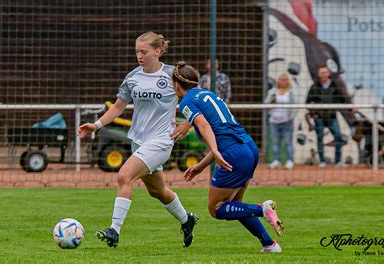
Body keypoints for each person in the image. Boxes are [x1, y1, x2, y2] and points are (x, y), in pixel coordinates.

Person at [78, 32, 197, 248]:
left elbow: (199, 98)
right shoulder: (133, 77)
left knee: (124, 176)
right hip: (139, 141)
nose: (139, 56)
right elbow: (117, 107)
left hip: (161, 140)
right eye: (137, 52)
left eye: (144, 52)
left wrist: (188, 123)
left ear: (158, 51)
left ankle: (114, 230)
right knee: (157, 191)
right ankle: (186, 220)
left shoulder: (173, 74)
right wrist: (95, 125)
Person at [172, 61, 283, 253]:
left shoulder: (186, 102)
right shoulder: (208, 94)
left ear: (176, 84)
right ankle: (269, 244)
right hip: (249, 148)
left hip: (233, 154)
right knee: (236, 206)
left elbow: (204, 125)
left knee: (216, 209)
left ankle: (262, 209)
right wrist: (201, 165)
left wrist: (214, 152)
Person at [305, 66, 348, 168]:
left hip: (332, 116)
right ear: (319, 74)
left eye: (325, 72)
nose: (323, 74)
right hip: (319, 117)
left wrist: (348, 108)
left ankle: (338, 161)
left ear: (329, 74)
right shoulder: (314, 86)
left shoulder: (335, 85)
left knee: (338, 136)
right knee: (319, 138)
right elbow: (307, 101)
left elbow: (343, 99)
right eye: (321, 72)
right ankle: (322, 161)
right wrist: (313, 112)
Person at [265, 73, 296, 170]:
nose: (283, 81)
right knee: (275, 143)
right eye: (281, 79)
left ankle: (290, 161)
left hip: (287, 121)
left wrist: (292, 116)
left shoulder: (290, 93)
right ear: (278, 81)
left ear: (288, 81)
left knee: (288, 142)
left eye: (285, 79)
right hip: (274, 121)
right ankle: (276, 161)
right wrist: (271, 100)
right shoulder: (273, 92)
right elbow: (266, 104)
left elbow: (295, 106)